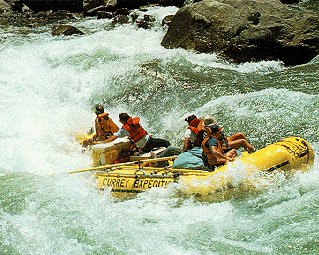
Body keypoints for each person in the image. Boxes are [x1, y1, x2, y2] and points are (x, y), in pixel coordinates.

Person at [105, 112, 171, 153]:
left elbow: (114, 137)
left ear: (122, 121)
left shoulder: (124, 130)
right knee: (167, 143)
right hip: (150, 142)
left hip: (145, 148)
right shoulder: (134, 122)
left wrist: (104, 142)